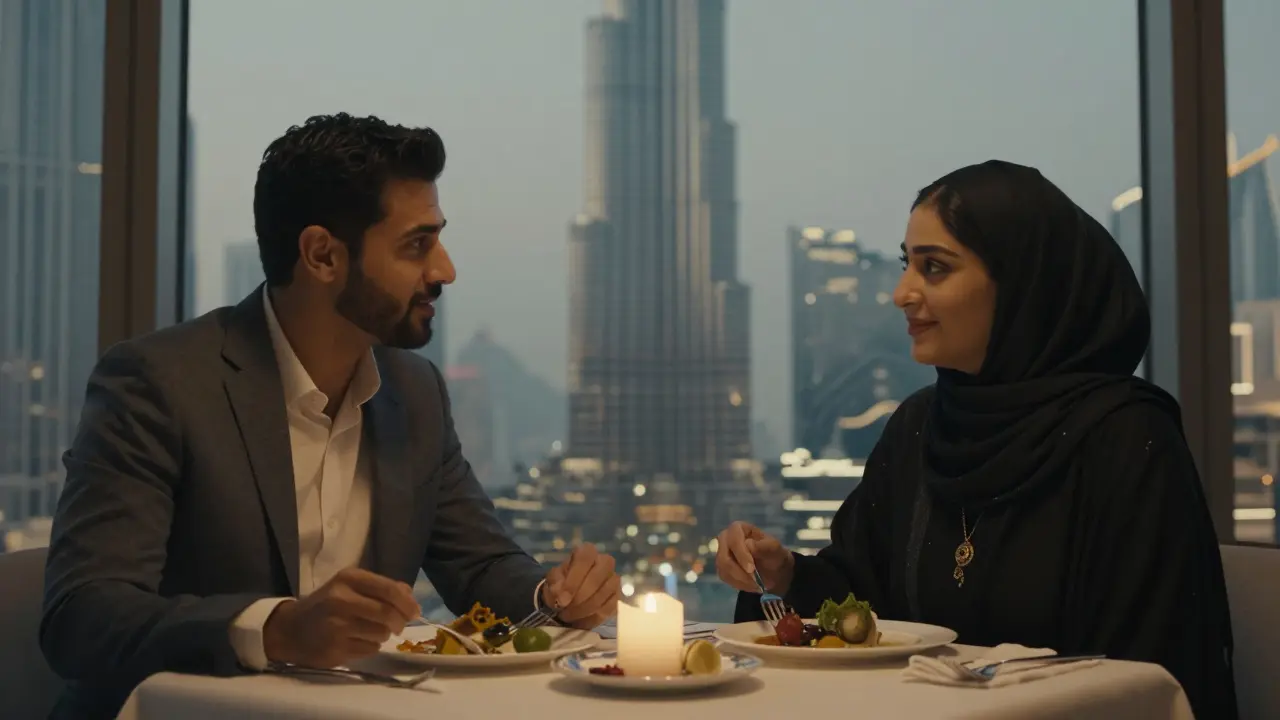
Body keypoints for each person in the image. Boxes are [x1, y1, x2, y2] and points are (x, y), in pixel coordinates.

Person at [40, 113, 621, 719]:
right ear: (321, 256)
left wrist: (551, 596)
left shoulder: (415, 392)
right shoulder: (158, 383)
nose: (444, 270)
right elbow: (83, 618)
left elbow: (480, 565)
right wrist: (278, 629)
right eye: (416, 244)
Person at [716, 160, 1236, 717]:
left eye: (934, 268)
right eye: (906, 265)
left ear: (1020, 285)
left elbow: (1144, 675)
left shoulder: (1125, 437)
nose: (902, 293)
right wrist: (784, 574)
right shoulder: (921, 426)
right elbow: (865, 606)